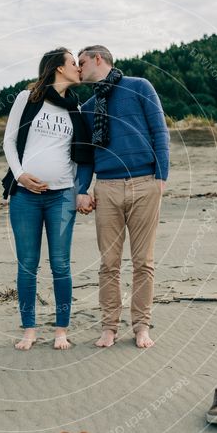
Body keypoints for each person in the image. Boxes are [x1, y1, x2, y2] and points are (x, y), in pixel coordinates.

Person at [76, 45, 170, 349]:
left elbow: (160, 131)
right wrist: (81, 190)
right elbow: (87, 156)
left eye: (82, 62)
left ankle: (142, 326)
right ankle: (109, 327)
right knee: (109, 263)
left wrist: (161, 177)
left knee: (144, 262)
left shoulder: (140, 87)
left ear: (98, 59)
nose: (78, 69)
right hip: (106, 187)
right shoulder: (88, 106)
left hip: (145, 183)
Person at [3, 47, 92, 350]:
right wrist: (19, 175)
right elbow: (10, 140)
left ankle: (61, 330)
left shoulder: (75, 109)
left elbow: (79, 156)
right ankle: (29, 329)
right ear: (58, 68)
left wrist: (80, 190)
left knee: (61, 264)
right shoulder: (27, 98)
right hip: (25, 196)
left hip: (61, 198)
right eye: (73, 63)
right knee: (27, 264)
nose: (78, 68)